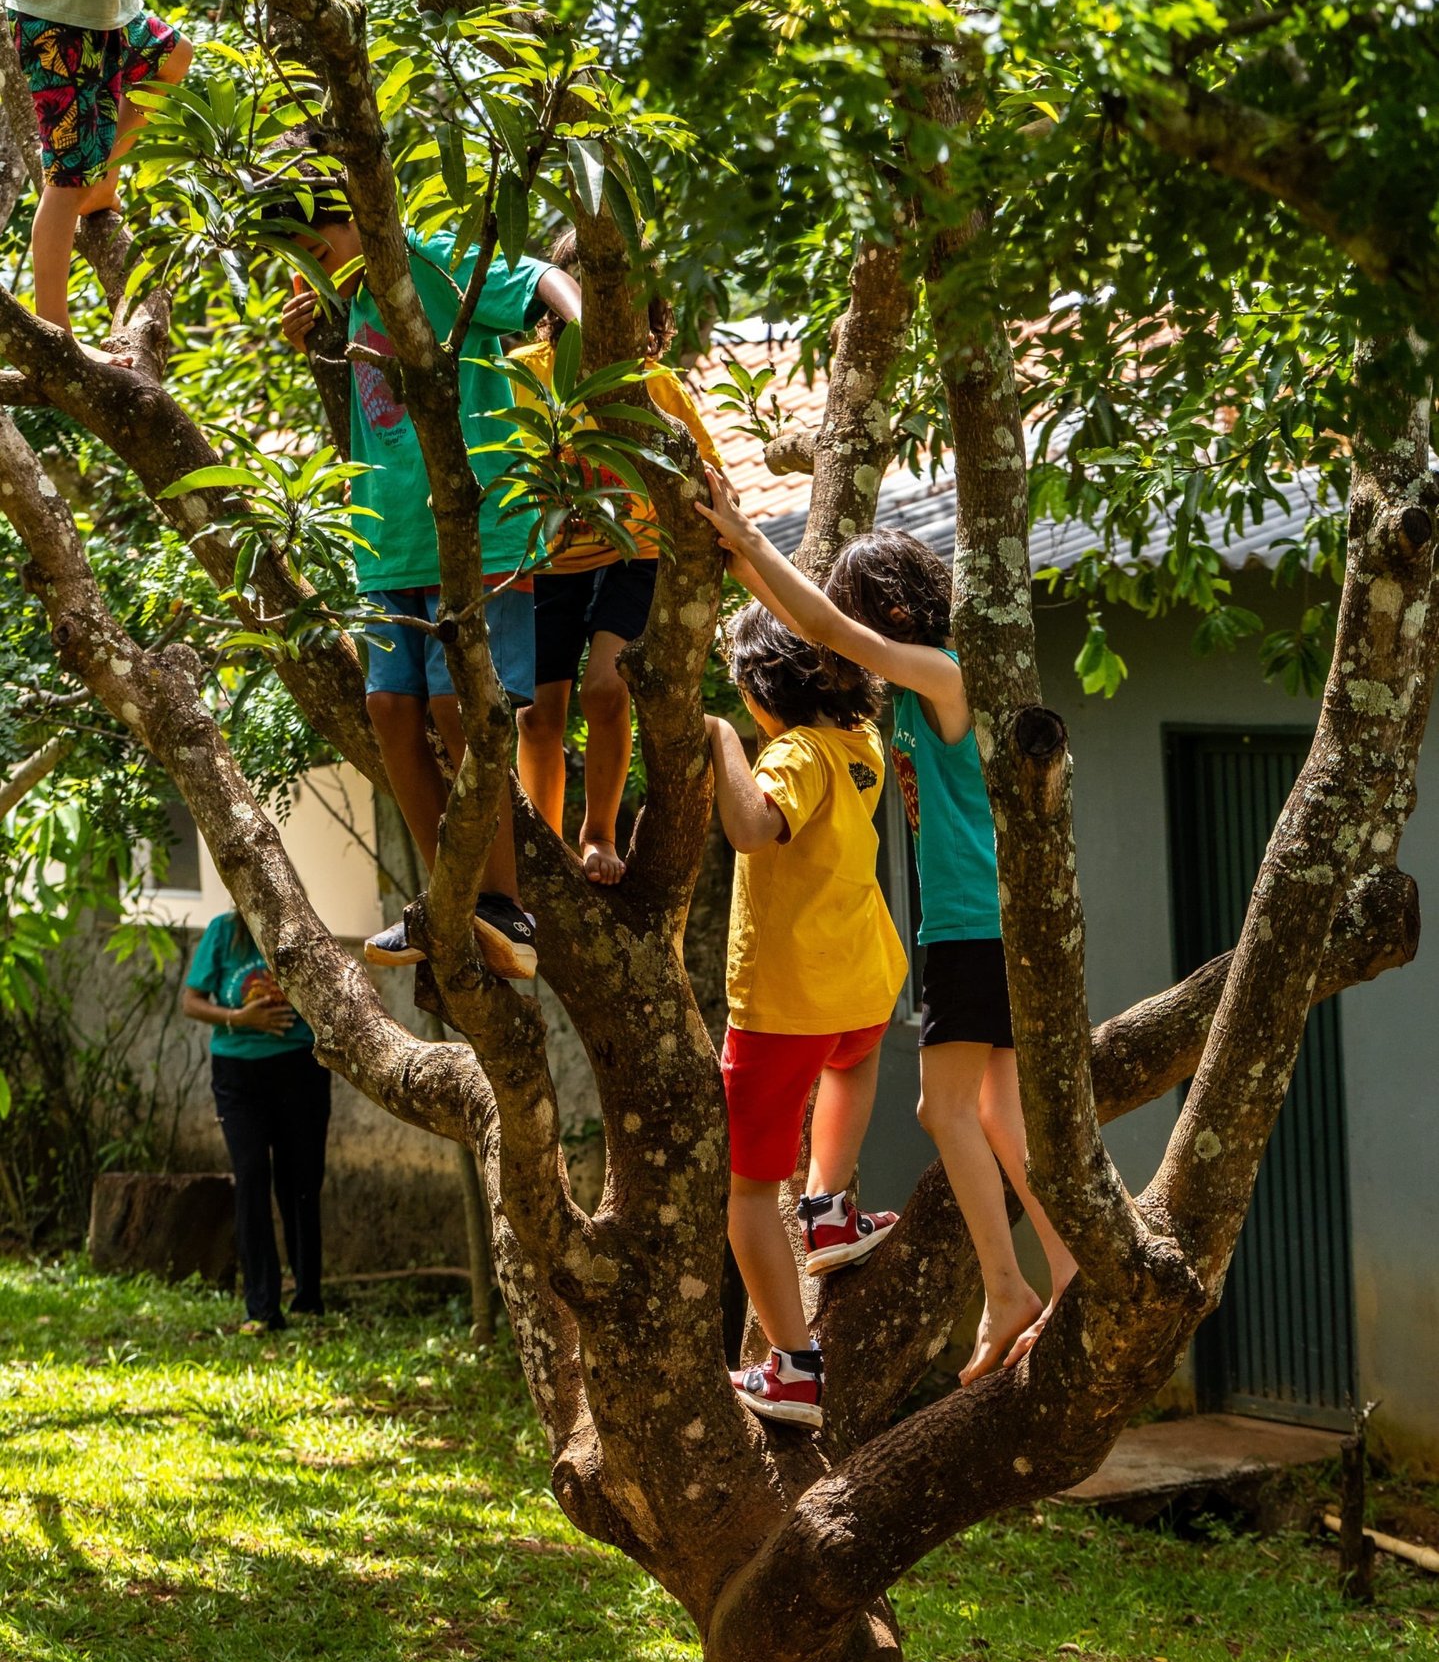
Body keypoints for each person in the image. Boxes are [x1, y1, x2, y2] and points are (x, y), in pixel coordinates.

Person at [696, 476, 1078, 1384]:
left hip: (969, 926)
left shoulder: (946, 675)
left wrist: (749, 540)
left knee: (942, 1107)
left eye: (863, 615)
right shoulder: (893, 708)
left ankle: (1007, 1289)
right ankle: (1060, 1272)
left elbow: (826, 631)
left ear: (898, 613)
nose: (846, 645)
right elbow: (823, 640)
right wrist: (739, 569)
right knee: (993, 1109)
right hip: (989, 924)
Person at [279, 181, 581, 978]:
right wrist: (310, 331)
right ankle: (442, 897)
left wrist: (592, 334)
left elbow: (533, 279)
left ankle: (503, 903)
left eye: (319, 250)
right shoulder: (346, 303)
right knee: (388, 708)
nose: (317, 272)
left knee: (461, 708)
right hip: (387, 543)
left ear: (358, 220)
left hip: (474, 532)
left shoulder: (428, 260)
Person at [706, 602, 907, 1430]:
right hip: (862, 979)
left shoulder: (791, 754)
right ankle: (827, 1209)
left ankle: (791, 1368)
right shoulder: (860, 746)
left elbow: (753, 832)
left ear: (762, 692)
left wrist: (721, 740)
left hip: (784, 999)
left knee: (749, 1189)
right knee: (852, 1065)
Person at [509, 230, 725, 883]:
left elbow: (709, 472)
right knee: (536, 714)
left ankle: (597, 834)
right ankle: (543, 847)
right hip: (546, 560)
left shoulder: (653, 383)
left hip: (634, 552)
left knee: (606, 688)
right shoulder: (522, 370)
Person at [7, 0, 192, 357]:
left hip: (111, 10)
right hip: (57, 17)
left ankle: (103, 180)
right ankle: (55, 338)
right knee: (67, 183)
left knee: (174, 57)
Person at [182, 910, 331, 1336]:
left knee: (300, 1182)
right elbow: (191, 1001)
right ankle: (262, 1308)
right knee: (250, 1177)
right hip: (238, 1075)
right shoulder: (223, 932)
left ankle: (307, 1298)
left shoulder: (301, 929)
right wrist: (240, 1018)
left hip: (299, 1071)